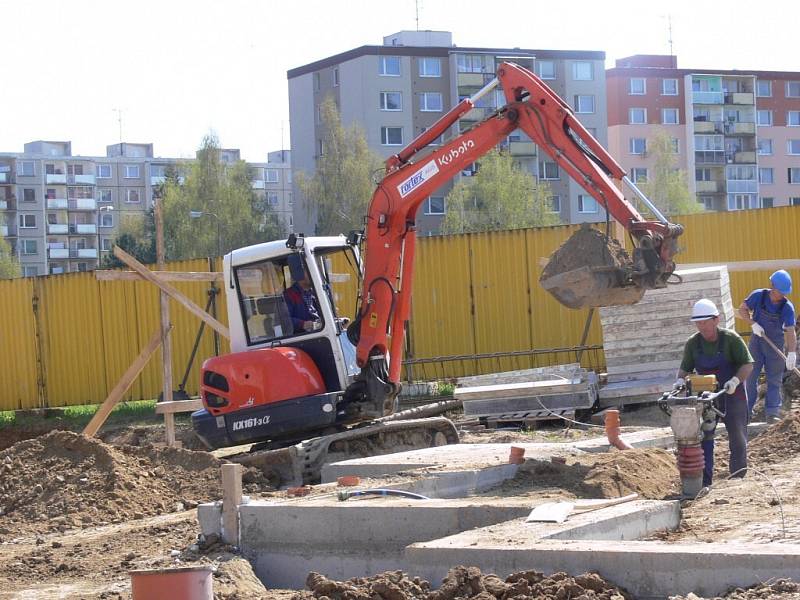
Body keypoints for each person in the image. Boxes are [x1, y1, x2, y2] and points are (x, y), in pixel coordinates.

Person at [674, 298, 753, 486]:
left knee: (737, 437)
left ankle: (738, 479)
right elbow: (685, 368)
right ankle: (705, 483)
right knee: (705, 438)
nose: (701, 327)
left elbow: (747, 364)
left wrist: (735, 381)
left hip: (733, 394)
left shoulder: (731, 339)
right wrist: (678, 381)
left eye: (704, 322)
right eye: (698, 323)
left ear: (716, 320)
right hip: (707, 397)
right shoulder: (693, 344)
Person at [737, 270, 797, 423]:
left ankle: (772, 413)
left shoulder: (787, 307)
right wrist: (753, 324)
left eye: (785, 292)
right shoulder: (759, 296)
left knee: (774, 380)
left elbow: (790, 331)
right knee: (750, 378)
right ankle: (746, 412)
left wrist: (791, 353)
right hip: (757, 342)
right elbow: (742, 309)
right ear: (772, 286)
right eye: (780, 292)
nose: (783, 295)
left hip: (775, 345)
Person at [283, 253, 321, 334]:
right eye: (309, 271)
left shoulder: (316, 293)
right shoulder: (289, 295)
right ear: (299, 273)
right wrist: (303, 324)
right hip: (301, 337)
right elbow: (283, 320)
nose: (314, 274)